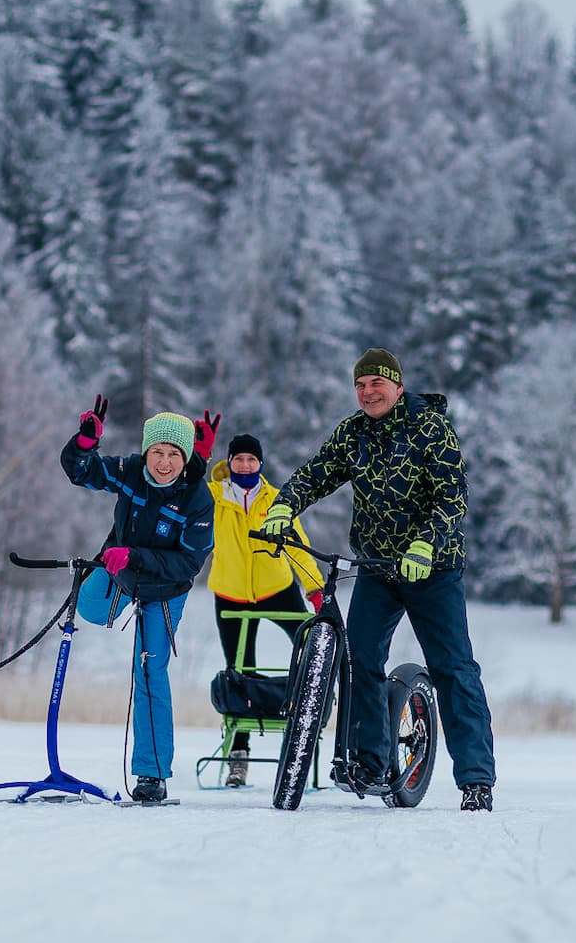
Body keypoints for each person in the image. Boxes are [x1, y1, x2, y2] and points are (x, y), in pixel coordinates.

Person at [262, 348, 499, 812]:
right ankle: (372, 763)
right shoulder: (353, 432)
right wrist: (284, 504)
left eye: (377, 384)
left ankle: (476, 779)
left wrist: (426, 543)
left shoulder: (430, 427)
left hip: (433, 568)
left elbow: (454, 496)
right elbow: (317, 472)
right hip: (377, 568)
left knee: (453, 667)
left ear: (397, 385)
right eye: (360, 385)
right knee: (361, 659)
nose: (368, 392)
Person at [61, 396, 216, 803]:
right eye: (157, 453)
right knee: (87, 605)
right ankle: (113, 591)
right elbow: (83, 472)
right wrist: (84, 444)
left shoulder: (198, 499)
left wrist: (135, 556)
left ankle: (152, 773)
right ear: (146, 452)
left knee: (148, 671)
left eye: (174, 455)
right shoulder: (131, 471)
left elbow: (187, 564)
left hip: (165, 591)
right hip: (120, 571)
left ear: (185, 458)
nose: (164, 463)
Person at [207, 433, 325, 786]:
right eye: (238, 459)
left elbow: (298, 547)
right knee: (239, 671)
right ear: (229, 462)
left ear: (262, 463)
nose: (245, 465)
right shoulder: (215, 497)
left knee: (312, 648)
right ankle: (238, 759)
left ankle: (307, 729)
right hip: (230, 592)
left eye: (251, 460)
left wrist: (314, 589)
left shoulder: (276, 500)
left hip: (277, 587)